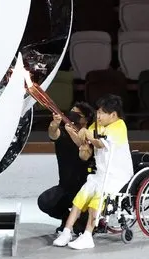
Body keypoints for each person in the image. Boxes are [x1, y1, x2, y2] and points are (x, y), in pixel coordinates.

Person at [53, 94, 134, 250]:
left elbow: (99, 143)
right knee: (80, 198)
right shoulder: (94, 126)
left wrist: (87, 133)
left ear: (113, 114)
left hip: (117, 176)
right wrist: (73, 133)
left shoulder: (119, 126)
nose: (98, 116)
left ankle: (88, 236)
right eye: (98, 112)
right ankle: (67, 232)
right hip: (100, 175)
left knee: (95, 201)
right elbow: (85, 144)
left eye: (102, 113)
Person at [37, 102, 95, 235]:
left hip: (86, 189)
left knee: (81, 229)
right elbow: (53, 134)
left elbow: (85, 154)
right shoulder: (63, 132)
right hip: (66, 187)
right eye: (72, 111)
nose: (72, 116)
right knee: (45, 201)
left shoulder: (91, 135)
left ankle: (83, 221)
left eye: (77, 114)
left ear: (85, 119)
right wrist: (54, 124)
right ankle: (66, 218)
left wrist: (74, 134)